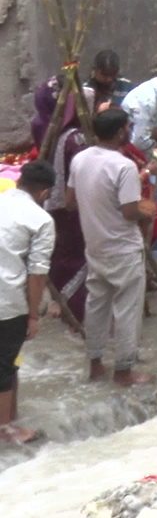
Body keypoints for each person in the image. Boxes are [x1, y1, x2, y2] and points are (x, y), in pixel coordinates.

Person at [70, 108, 152, 386]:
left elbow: (70, 201)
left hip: (95, 244)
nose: (130, 131)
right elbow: (129, 212)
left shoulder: (80, 158)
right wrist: (145, 212)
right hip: (123, 247)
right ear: (119, 132)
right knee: (127, 309)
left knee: (97, 306)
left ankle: (95, 364)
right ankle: (124, 370)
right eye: (128, 127)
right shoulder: (123, 166)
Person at [0, 160, 54, 443]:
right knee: (5, 362)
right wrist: (33, 315)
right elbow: (37, 272)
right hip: (8, 301)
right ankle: (5, 429)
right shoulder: (41, 219)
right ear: (45, 193)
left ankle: (8, 419)